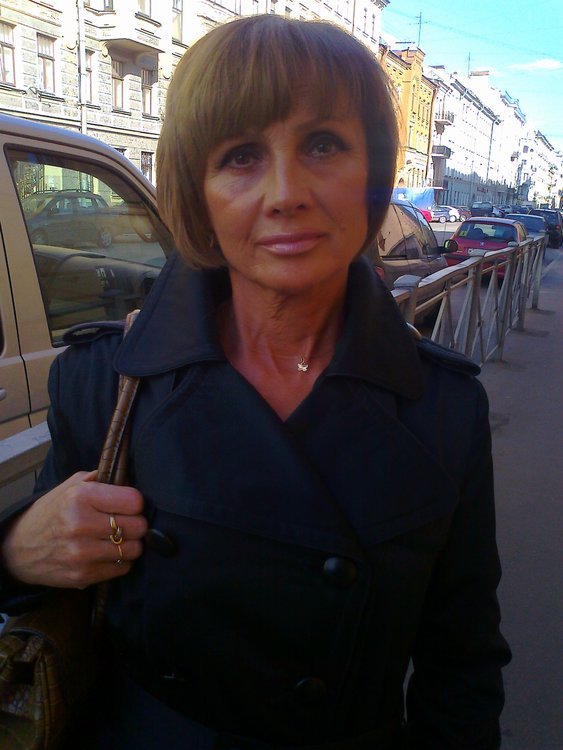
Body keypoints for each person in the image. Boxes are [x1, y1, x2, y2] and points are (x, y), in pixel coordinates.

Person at [0, 15, 510, 750]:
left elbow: (461, 670)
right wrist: (16, 548)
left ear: (372, 174)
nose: (285, 193)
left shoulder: (443, 408)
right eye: (240, 156)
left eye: (323, 144)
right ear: (197, 191)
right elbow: (51, 580)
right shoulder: (105, 382)